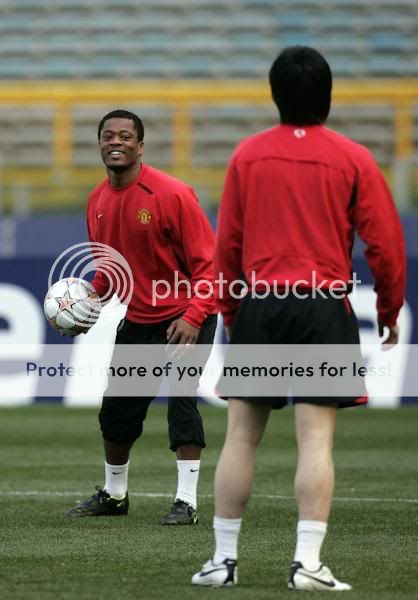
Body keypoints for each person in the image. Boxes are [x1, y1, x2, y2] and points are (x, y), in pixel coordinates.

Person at [191, 46, 406, 589]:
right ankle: (306, 565)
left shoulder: (247, 156)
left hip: (262, 303)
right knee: (316, 443)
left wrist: (235, 314)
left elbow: (228, 247)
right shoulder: (354, 158)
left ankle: (222, 561)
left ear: (274, 93)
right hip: (322, 306)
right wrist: (388, 308)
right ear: (328, 95)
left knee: (241, 437)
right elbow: (385, 245)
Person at [66, 109, 218, 525]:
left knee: (182, 405)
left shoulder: (171, 194)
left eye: (125, 136)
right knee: (116, 413)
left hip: (187, 317)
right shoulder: (97, 200)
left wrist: (193, 315)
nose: (116, 141)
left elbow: (211, 267)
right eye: (108, 135)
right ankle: (115, 496)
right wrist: (84, 303)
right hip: (139, 319)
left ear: (140, 146)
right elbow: (109, 270)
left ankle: (186, 502)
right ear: (99, 144)